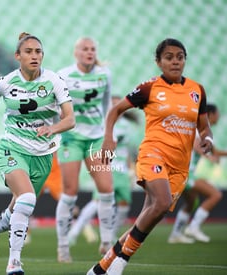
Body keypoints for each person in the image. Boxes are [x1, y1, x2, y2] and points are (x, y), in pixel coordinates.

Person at [86, 38, 213, 275]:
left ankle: (101, 268)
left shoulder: (197, 90)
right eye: (169, 57)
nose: (175, 61)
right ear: (159, 62)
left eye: (180, 57)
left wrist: (208, 139)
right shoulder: (149, 88)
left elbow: (204, 127)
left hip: (180, 165)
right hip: (153, 154)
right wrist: (108, 138)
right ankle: (120, 263)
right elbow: (115, 110)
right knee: (162, 202)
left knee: (148, 217)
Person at [0, 32, 75, 275]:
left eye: (38, 51)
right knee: (27, 199)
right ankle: (14, 263)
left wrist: (52, 128)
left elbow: (70, 119)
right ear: (17, 56)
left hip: (43, 155)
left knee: (19, 206)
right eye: (28, 52)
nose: (34, 56)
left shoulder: (54, 81)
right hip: (12, 147)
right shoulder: (6, 82)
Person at [55, 36, 116, 262]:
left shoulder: (105, 75)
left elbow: (108, 105)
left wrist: (111, 135)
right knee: (70, 191)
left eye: (92, 49)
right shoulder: (64, 75)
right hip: (71, 138)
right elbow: (55, 107)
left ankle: (107, 243)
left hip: (98, 139)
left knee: (107, 190)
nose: (89, 52)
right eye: (85, 49)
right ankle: (63, 247)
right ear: (76, 52)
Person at [68, 95, 138, 246]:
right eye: (112, 103)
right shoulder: (102, 123)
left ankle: (111, 235)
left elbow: (126, 150)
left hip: (122, 170)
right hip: (107, 165)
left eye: (117, 104)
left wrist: (132, 170)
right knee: (98, 200)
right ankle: (74, 231)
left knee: (124, 204)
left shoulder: (126, 125)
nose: (115, 106)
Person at [168, 103, 224, 244]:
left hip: (185, 173)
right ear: (210, 114)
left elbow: (215, 151)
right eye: (218, 113)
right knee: (215, 194)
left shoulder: (206, 131)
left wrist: (213, 155)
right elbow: (195, 144)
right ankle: (193, 227)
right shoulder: (196, 128)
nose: (219, 116)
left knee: (191, 202)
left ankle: (175, 235)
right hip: (186, 173)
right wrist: (208, 157)